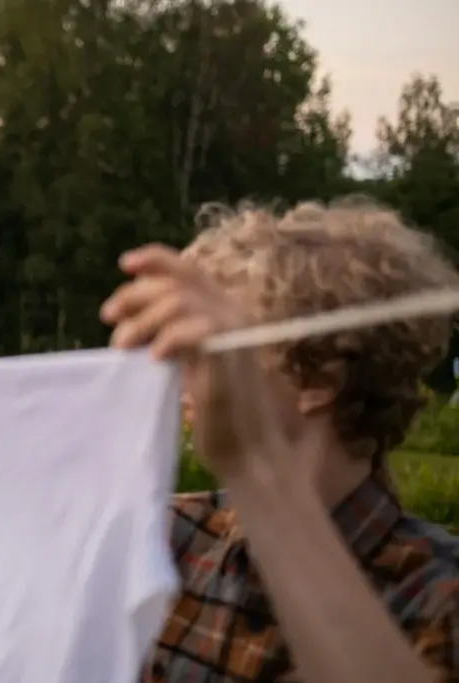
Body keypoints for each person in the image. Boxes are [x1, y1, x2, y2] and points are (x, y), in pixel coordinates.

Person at [101, 198, 459, 682]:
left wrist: (253, 461)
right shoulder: (166, 537)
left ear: (322, 378)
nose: (187, 372)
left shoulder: (439, 597)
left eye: (221, 345)